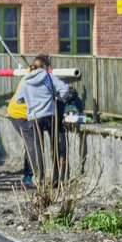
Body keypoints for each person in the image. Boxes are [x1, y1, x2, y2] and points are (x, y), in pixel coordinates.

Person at [15, 55, 70, 186]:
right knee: (54, 147)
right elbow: (65, 89)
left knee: (39, 149)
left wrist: (30, 100)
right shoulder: (48, 77)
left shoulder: (25, 80)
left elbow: (18, 99)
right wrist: (57, 97)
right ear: (45, 65)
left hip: (34, 118)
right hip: (50, 116)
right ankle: (56, 178)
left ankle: (41, 178)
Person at [7, 74, 34, 185]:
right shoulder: (32, 79)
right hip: (21, 114)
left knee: (30, 144)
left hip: (17, 113)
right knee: (31, 144)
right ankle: (30, 174)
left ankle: (30, 173)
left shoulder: (28, 76)